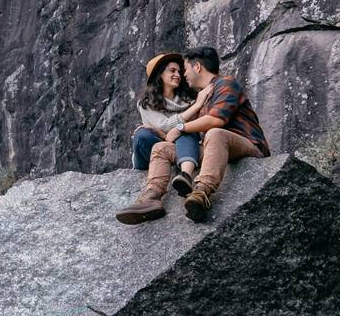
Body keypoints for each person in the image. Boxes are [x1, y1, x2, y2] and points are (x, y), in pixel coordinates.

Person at [116, 46, 270, 224]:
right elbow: (184, 132)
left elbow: (216, 121)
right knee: (161, 148)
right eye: (176, 71)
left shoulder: (226, 84)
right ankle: (151, 197)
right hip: (215, 148)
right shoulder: (201, 97)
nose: (183, 75)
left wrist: (181, 127)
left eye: (185, 69)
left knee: (215, 133)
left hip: (247, 145)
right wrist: (158, 131)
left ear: (197, 67)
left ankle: (201, 193)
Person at [130, 53, 206, 198]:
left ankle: (185, 175)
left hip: (180, 146)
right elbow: (165, 125)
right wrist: (195, 108)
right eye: (172, 71)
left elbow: (189, 127)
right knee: (142, 135)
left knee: (186, 131)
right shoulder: (146, 102)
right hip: (152, 150)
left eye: (179, 71)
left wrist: (170, 132)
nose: (177, 74)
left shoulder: (190, 98)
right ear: (159, 75)